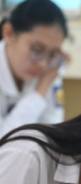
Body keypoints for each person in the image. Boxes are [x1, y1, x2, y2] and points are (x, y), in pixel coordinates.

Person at [0, 0, 69, 137]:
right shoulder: (47, 73)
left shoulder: (51, 69)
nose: (43, 64)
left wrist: (47, 81)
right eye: (37, 50)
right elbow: (4, 140)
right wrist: (40, 91)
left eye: (52, 54)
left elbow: (52, 131)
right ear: (8, 33)